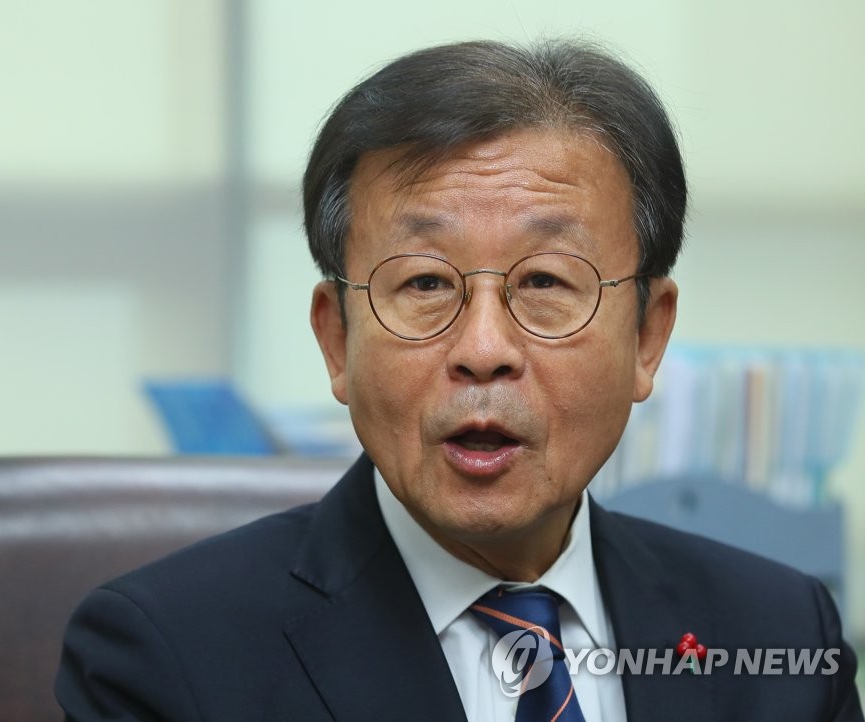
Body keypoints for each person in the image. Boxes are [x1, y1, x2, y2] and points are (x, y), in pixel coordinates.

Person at [55, 39, 863, 721]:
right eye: (425, 282)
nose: (484, 349)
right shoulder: (164, 660)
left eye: (545, 281)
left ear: (648, 336)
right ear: (336, 339)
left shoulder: (783, 639)